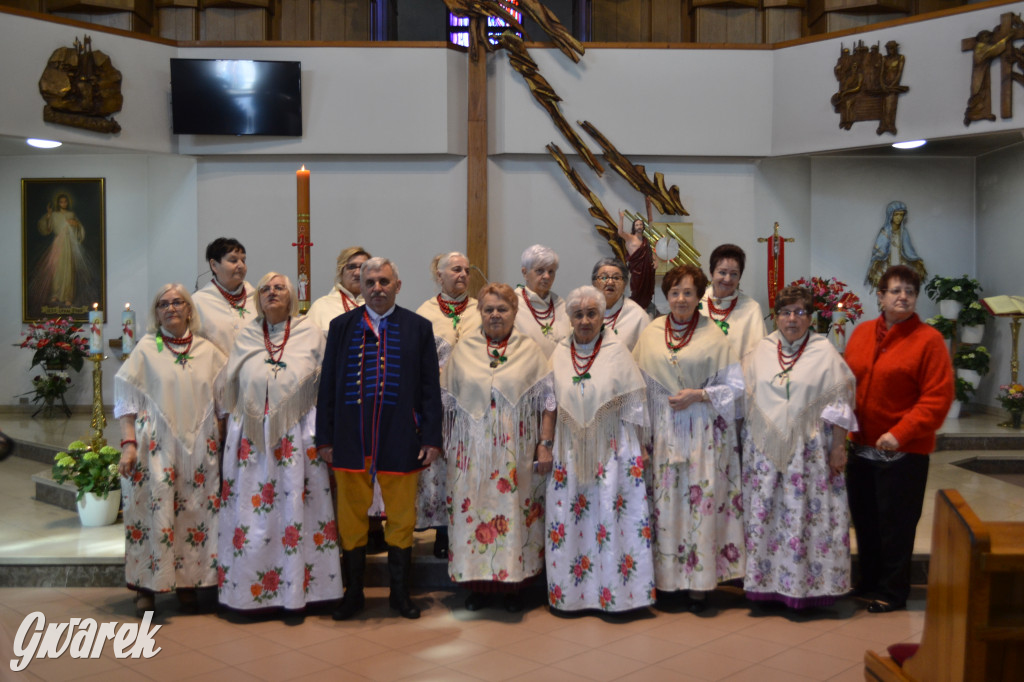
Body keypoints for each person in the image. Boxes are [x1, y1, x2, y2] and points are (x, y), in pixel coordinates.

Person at [316, 257, 443, 621]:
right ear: (360, 285)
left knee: (401, 519)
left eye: (384, 281)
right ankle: (353, 593)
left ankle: (399, 595)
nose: (376, 288)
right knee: (351, 518)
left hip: (402, 436)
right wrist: (324, 436)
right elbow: (327, 385)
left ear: (397, 286)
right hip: (349, 439)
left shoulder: (418, 327)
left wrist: (431, 436)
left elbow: (430, 388)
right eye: (369, 282)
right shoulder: (341, 326)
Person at [216, 273, 342, 612]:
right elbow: (231, 381)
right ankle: (249, 593)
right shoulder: (245, 335)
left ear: (292, 297)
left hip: (298, 435)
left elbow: (325, 381)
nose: (272, 293)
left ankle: (305, 592)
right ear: (258, 298)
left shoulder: (309, 332)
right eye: (266, 289)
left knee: (300, 507)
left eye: (280, 288)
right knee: (254, 514)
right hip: (253, 440)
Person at [632, 264, 745, 612]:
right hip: (663, 431)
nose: (681, 299)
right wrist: (641, 438)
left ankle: (699, 585)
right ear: (666, 296)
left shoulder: (714, 334)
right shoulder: (651, 332)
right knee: (667, 505)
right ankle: (667, 582)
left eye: (689, 293)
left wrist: (699, 394)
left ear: (699, 296)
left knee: (699, 503)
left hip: (703, 432)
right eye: (675, 292)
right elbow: (637, 387)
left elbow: (737, 388)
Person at [845, 264, 953, 613]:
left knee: (897, 525)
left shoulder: (929, 340)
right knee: (866, 521)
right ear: (881, 296)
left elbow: (937, 398)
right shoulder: (861, 333)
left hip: (904, 453)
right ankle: (869, 582)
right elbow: (847, 384)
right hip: (861, 449)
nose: (903, 296)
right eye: (895, 290)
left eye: (909, 291)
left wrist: (900, 432)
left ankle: (892, 592)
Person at [742, 285, 857, 609]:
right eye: (785, 312)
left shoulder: (824, 351)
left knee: (806, 519)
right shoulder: (760, 350)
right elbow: (747, 399)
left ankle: (811, 590)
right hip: (767, 454)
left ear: (811, 317)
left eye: (800, 312)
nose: (792, 319)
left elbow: (841, 402)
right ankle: (766, 586)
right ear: (776, 316)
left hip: (811, 457)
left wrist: (838, 447)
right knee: (770, 517)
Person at [114, 284, 227, 616]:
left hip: (200, 453)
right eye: (163, 304)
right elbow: (126, 400)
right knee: (155, 514)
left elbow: (223, 406)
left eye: (178, 302)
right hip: (156, 450)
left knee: (195, 516)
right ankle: (146, 587)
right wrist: (129, 445)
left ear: (189, 309)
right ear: (156, 312)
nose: (171, 308)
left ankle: (188, 583)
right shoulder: (147, 349)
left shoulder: (209, 351)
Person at [445, 283, 555, 612]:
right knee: (472, 512)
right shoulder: (463, 349)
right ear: (479, 312)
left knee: (514, 513)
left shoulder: (530, 350)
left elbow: (548, 402)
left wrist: (544, 445)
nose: (495, 315)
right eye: (489, 309)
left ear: (514, 312)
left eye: (502, 309)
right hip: (471, 455)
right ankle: (477, 586)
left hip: (515, 454)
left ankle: (513, 588)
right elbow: (447, 402)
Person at [545, 286, 654, 614]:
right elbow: (550, 404)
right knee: (572, 519)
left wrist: (641, 448)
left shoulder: (617, 350)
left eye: (592, 313)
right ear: (569, 319)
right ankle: (572, 596)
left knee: (611, 516)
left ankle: (620, 596)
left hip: (614, 448)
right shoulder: (559, 353)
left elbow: (634, 401)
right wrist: (545, 445)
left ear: (602, 315)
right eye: (578, 314)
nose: (585, 320)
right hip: (569, 448)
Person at [414, 251, 479, 558]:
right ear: (439, 276)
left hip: (473, 403)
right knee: (441, 468)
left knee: (470, 465)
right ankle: (442, 531)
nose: (463, 275)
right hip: (438, 405)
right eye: (455, 270)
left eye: (466, 270)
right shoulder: (424, 313)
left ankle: (471, 524)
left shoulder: (482, 310)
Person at [700, 244, 766, 363]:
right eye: (722, 272)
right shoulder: (696, 303)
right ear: (711, 272)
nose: (727, 279)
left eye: (734, 274)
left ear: (740, 276)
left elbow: (759, 355)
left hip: (736, 379)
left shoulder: (751, 308)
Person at [31, 193, 96, 309]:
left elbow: (79, 228)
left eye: (65, 201)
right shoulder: (54, 215)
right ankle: (55, 294)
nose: (63, 204)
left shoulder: (71, 214)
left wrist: (75, 224)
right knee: (56, 269)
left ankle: (68, 297)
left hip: (69, 244)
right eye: (61, 202)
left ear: (68, 202)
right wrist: (49, 215)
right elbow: (47, 229)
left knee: (68, 269)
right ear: (58, 203)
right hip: (58, 243)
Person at [193, 238, 257, 355]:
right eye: (233, 260)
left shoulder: (257, 298)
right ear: (214, 265)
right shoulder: (198, 302)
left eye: (243, 260)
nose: (241, 265)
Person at [514, 244, 569, 357]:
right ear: (525, 273)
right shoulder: (512, 304)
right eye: (540, 271)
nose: (547, 276)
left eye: (551, 271)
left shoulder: (562, 305)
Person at [864, 202, 927, 292]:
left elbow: (909, 250)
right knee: (887, 289)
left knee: (901, 287)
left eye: (901, 215)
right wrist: (877, 260)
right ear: (890, 215)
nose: (899, 217)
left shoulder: (904, 232)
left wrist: (916, 260)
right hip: (887, 264)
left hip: (900, 263)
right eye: (896, 214)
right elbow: (879, 249)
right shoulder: (885, 232)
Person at [308, 246, 371, 332]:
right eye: (351, 267)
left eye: (363, 267)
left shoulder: (379, 305)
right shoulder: (321, 306)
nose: (357, 273)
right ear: (341, 272)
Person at [591, 258, 649, 351]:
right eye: (604, 277)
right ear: (594, 283)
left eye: (616, 278)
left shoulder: (638, 317)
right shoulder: (584, 310)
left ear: (625, 284)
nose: (610, 282)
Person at [617, 209, 656, 312]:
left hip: (646, 270)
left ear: (643, 227)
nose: (639, 226)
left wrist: (655, 262)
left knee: (646, 290)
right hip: (636, 270)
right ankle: (635, 310)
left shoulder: (645, 240)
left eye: (640, 225)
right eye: (637, 225)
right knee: (636, 289)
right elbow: (620, 232)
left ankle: (645, 308)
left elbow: (651, 253)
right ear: (634, 227)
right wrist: (621, 218)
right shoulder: (630, 238)